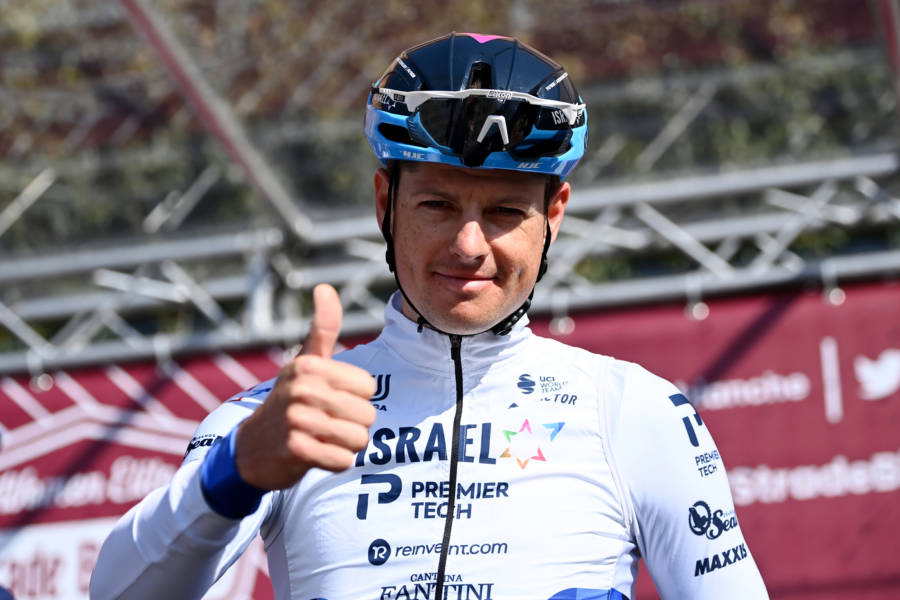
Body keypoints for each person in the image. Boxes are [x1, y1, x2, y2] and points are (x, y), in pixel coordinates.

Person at [90, 33, 769, 600]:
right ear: (384, 203)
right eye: (437, 206)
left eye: (505, 212)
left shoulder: (633, 410)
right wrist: (234, 472)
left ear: (553, 215)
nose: (469, 245)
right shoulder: (285, 416)